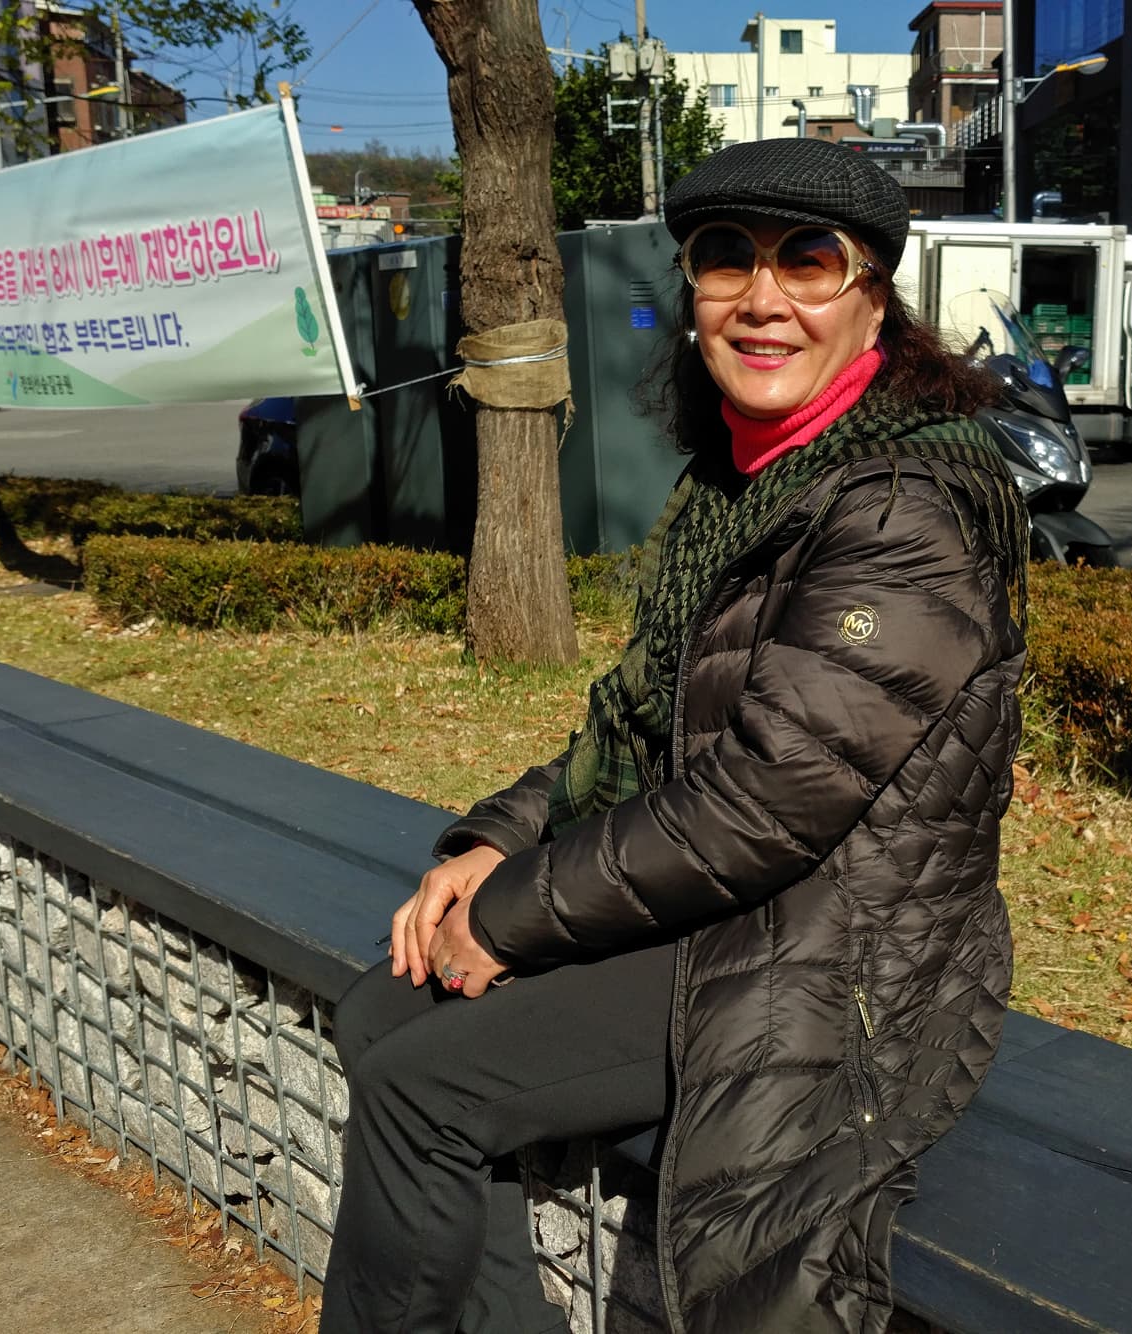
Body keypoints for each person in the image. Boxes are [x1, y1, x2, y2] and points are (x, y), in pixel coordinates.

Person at [322, 137, 1029, 1334]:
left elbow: (768, 797)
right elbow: (639, 724)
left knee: (423, 1088)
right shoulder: (741, 483)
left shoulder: (902, 510)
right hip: (727, 903)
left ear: (872, 301)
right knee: (381, 1011)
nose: (763, 300)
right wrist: (492, 842)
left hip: (829, 951)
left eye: (810, 262)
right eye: (724, 260)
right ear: (690, 288)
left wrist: (511, 915)